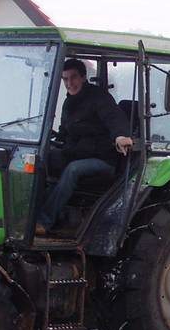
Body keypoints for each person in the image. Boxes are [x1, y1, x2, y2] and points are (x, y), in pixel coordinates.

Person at [36, 58, 133, 235]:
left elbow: (114, 117)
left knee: (73, 170)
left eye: (73, 78)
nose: (69, 83)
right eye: (65, 79)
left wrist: (121, 136)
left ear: (83, 77)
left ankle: (44, 221)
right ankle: (30, 215)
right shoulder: (69, 103)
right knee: (41, 160)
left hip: (103, 159)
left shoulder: (99, 98)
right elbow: (65, 130)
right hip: (76, 153)